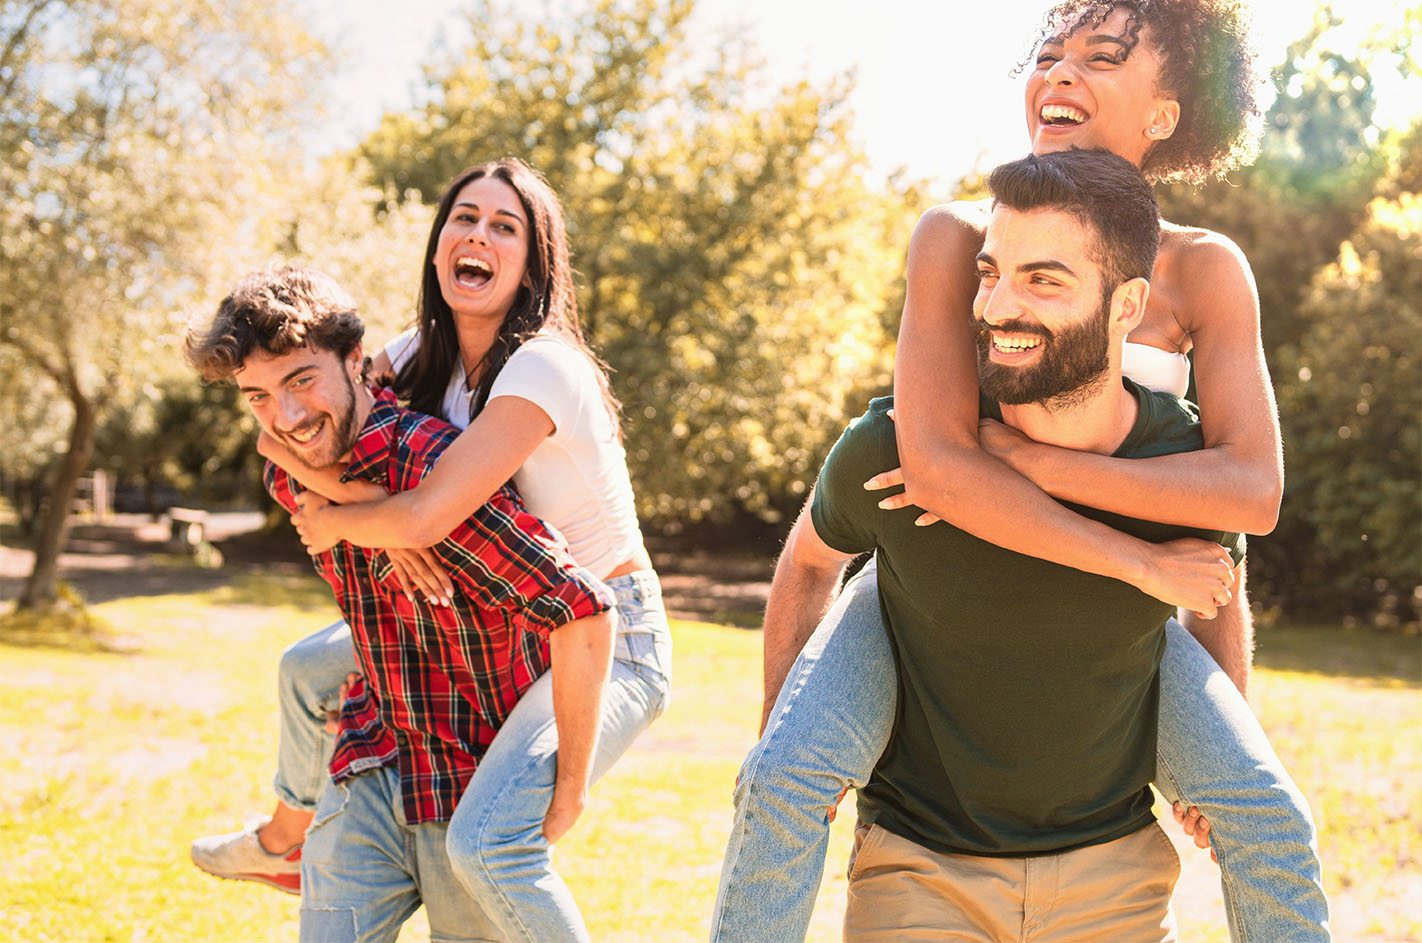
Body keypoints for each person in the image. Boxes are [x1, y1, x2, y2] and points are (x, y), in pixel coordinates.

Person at [713, 2, 1328, 941]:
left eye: (1101, 57)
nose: (1060, 75)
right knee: (783, 777)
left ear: (1165, 113)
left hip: (1121, 607)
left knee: (1268, 815)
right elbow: (937, 470)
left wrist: (1032, 460)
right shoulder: (959, 236)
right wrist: (1133, 552)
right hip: (940, 579)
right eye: (1048, 55)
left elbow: (1245, 493)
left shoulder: (1205, 269)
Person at [190, 160, 671, 943]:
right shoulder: (418, 351)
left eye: (504, 226)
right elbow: (289, 435)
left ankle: (295, 841)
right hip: (506, 602)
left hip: (606, 632)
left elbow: (428, 514)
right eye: (463, 218)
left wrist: (363, 520)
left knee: (485, 842)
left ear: (532, 263)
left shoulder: (542, 367)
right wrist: (371, 506)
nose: (478, 234)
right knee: (311, 671)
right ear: (439, 241)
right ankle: (289, 842)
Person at [781, 147, 1241, 940]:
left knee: (1280, 828)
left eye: (1043, 280)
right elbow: (806, 566)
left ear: (1127, 305)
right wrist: (784, 736)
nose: (996, 305)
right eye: (990, 273)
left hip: (1115, 879)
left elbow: (1217, 599)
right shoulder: (896, 453)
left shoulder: (1181, 466)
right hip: (918, 874)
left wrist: (1224, 766)